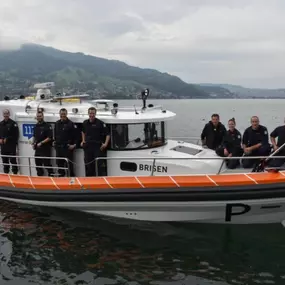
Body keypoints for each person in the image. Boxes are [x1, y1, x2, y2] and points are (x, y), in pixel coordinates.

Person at [81, 107, 110, 177]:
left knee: (98, 165)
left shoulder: (100, 123)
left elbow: (108, 134)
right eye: (90, 113)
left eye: (93, 113)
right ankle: (89, 181)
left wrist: (105, 144)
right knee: (88, 165)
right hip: (88, 147)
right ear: (88, 113)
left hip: (97, 147)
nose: (91, 115)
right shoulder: (85, 123)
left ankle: (99, 180)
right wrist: (83, 140)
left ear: (95, 114)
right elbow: (83, 132)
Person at [54, 108, 77, 177]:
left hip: (67, 149)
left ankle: (72, 182)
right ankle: (61, 182)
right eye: (61, 114)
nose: (63, 115)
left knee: (69, 167)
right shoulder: (57, 123)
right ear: (59, 114)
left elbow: (76, 136)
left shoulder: (71, 124)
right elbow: (55, 134)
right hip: (58, 148)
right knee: (60, 166)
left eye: (64, 114)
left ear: (66, 114)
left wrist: (74, 145)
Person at [31, 111, 54, 176]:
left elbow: (50, 137)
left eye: (40, 116)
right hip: (37, 149)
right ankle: (40, 178)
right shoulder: (36, 126)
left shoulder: (47, 126)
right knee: (38, 165)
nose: (39, 117)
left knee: (47, 164)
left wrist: (41, 143)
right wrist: (33, 143)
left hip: (45, 149)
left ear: (43, 116)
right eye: (38, 116)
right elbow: (34, 136)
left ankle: (51, 177)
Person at [0, 109, 19, 174]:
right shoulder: (1, 124)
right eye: (4, 114)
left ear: (9, 114)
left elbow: (16, 135)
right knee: (5, 161)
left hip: (11, 146)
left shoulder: (13, 123)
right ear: (3, 115)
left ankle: (15, 174)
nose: (6, 115)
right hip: (3, 146)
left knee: (13, 161)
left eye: (7, 114)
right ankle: (6, 175)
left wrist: (7, 138)